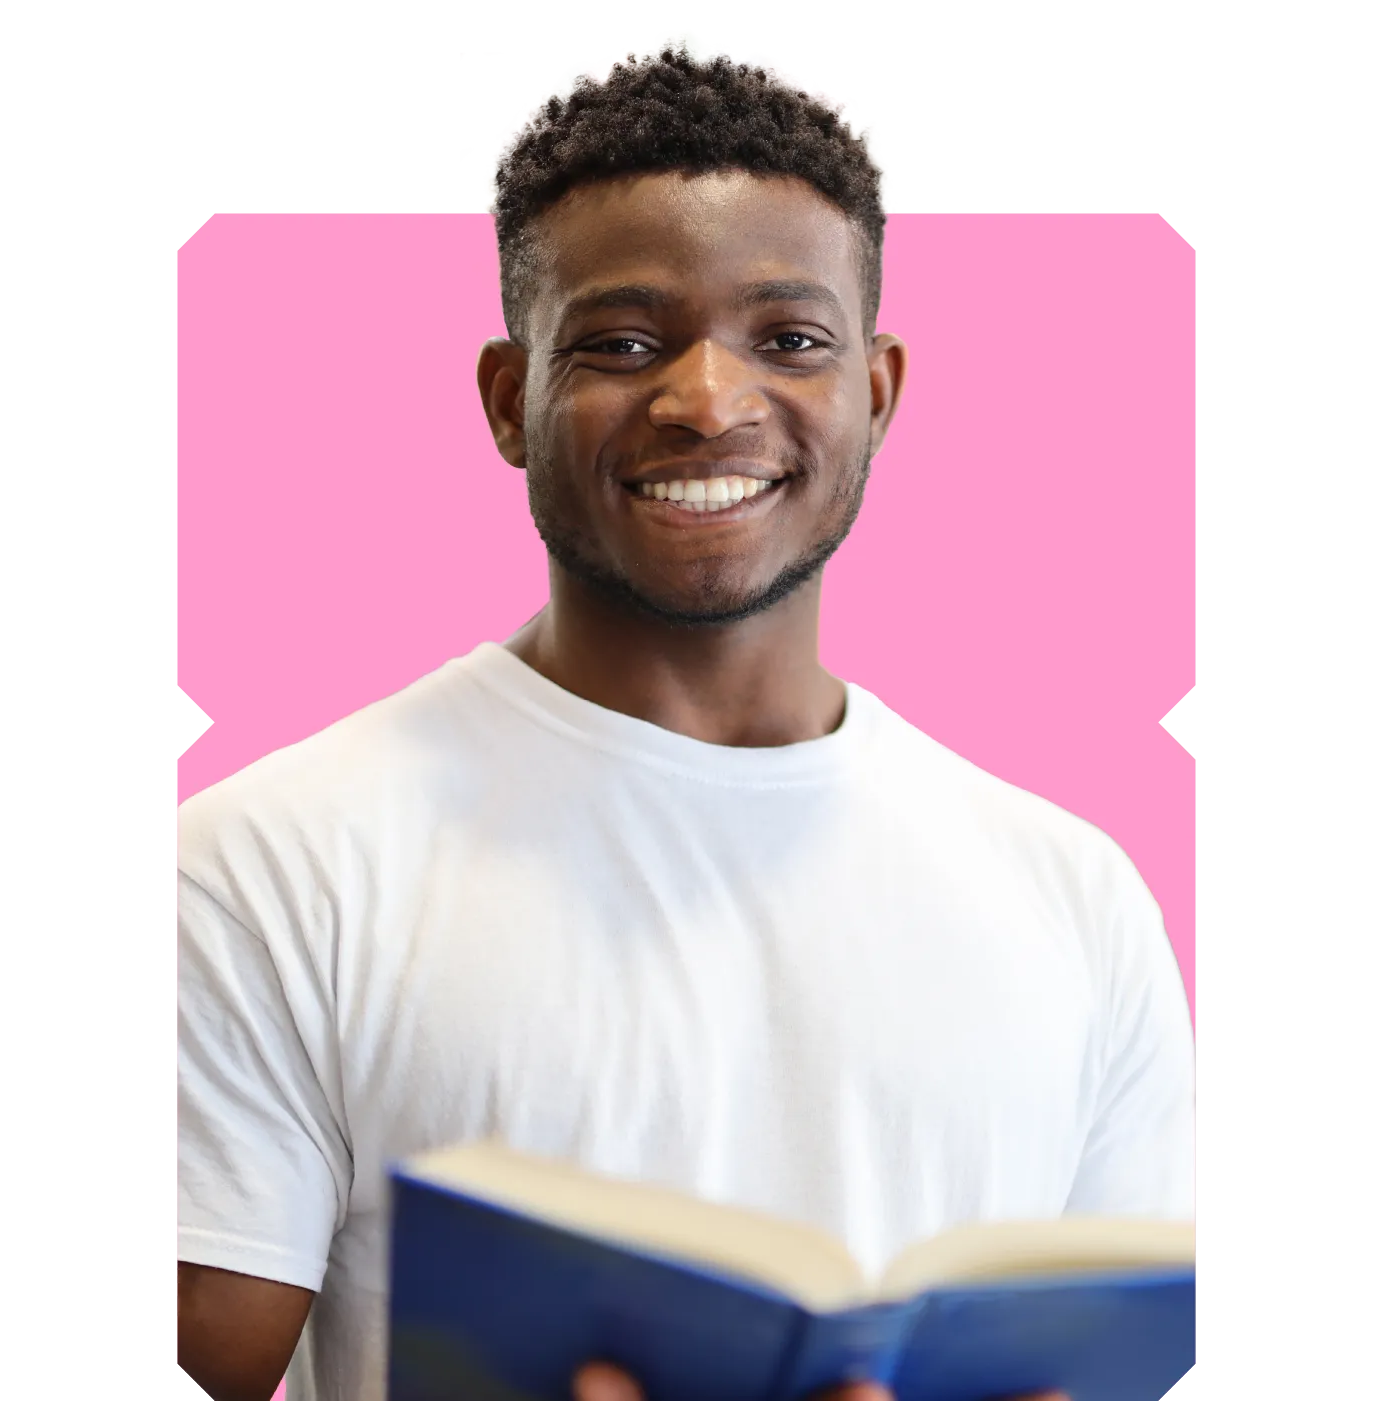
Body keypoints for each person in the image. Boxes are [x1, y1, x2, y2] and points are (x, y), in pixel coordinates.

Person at [172, 38, 1193, 1401]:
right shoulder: (265, 869)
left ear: (875, 394)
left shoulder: (1078, 898)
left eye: (790, 339)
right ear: (506, 401)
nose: (709, 401)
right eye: (622, 342)